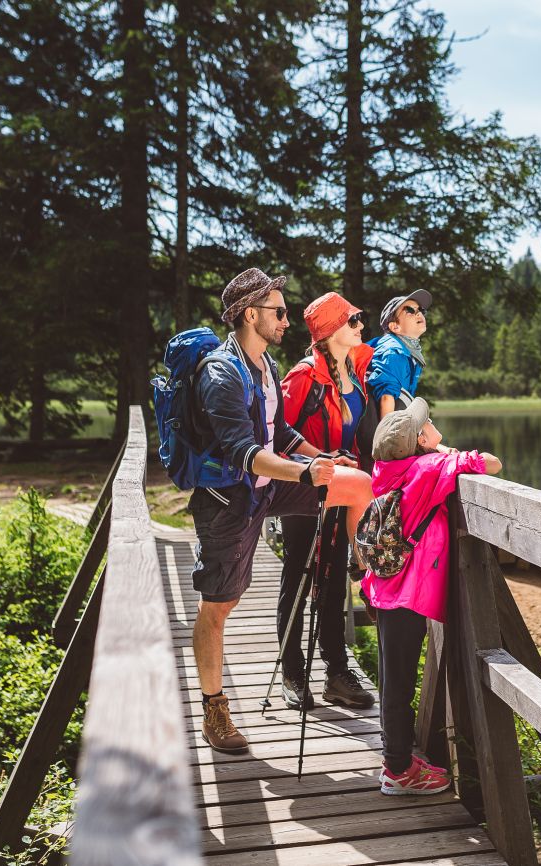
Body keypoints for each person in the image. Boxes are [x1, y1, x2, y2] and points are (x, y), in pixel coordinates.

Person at [189, 268, 373, 754]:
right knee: (219, 606)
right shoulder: (222, 373)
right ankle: (215, 710)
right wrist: (305, 474)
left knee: (357, 484)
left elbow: (280, 434)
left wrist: (318, 458)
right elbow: (243, 453)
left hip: (270, 487)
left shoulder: (265, 365)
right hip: (230, 501)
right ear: (251, 314)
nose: (288, 321)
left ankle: (373, 571)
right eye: (279, 311)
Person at [362, 398, 502, 795]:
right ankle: (398, 771)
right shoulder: (427, 470)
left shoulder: (388, 470)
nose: (430, 422)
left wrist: (431, 450)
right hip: (406, 594)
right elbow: (492, 464)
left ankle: (397, 757)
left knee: (393, 679)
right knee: (399, 684)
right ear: (421, 441)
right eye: (426, 424)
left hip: (384, 588)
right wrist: (442, 452)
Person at [276, 292, 376, 711]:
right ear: (331, 329)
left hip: (343, 486)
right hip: (304, 486)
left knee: (334, 579)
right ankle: (292, 673)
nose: (360, 326)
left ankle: (337, 673)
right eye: (352, 320)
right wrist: (317, 459)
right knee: (298, 573)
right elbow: (274, 438)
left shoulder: (357, 371)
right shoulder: (303, 377)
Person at [366, 289, 432, 419]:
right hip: (383, 428)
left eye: (420, 310)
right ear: (395, 327)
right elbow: (386, 397)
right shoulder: (393, 352)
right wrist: (388, 437)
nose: (418, 314)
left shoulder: (407, 350)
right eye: (410, 310)